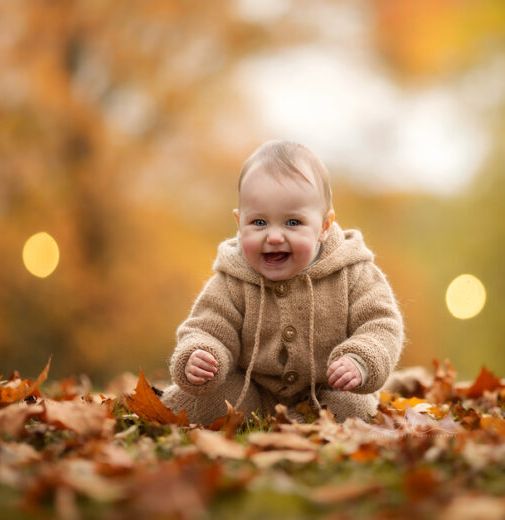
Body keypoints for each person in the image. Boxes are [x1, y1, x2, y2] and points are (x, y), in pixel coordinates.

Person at [161, 140, 403, 424]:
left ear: (324, 226)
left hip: (327, 390)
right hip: (252, 392)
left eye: (292, 223)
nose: (274, 237)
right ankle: (264, 420)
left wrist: (360, 360)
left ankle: (299, 426)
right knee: (188, 402)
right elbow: (209, 326)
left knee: (355, 409)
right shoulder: (233, 277)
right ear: (240, 223)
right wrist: (201, 355)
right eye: (259, 223)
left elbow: (381, 325)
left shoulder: (354, 271)